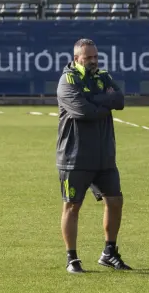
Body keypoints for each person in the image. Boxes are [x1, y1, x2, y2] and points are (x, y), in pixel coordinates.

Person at [55, 38, 130, 273]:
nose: (94, 61)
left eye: (96, 57)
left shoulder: (103, 76)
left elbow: (119, 100)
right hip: (75, 156)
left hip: (104, 155)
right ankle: (72, 258)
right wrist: (103, 102)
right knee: (72, 206)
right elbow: (82, 111)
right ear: (77, 58)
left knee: (115, 201)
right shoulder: (67, 80)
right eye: (89, 58)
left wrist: (96, 100)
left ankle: (109, 252)